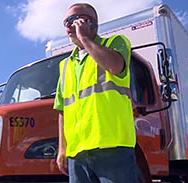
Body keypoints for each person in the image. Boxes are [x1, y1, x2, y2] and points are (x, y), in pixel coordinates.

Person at [53, 3, 138, 183]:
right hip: (78, 153)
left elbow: (115, 66)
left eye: (73, 19)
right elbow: (62, 110)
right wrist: (63, 149)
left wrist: (85, 39)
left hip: (113, 147)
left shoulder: (116, 42)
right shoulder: (66, 65)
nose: (68, 25)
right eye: (65, 21)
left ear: (90, 23)